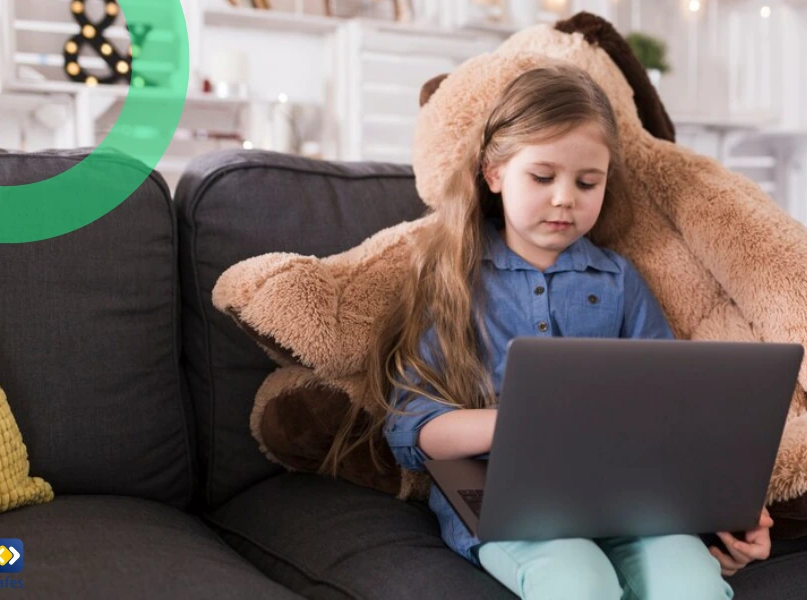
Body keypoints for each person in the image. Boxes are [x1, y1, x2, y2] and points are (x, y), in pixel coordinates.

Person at [322, 62, 772, 599]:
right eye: (542, 177)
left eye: (587, 182)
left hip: (623, 499)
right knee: (579, 584)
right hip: (504, 503)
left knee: (693, 583)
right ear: (494, 173)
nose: (565, 198)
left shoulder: (620, 281)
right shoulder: (456, 280)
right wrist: (520, 422)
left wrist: (725, 505)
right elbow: (411, 428)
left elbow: (671, 413)